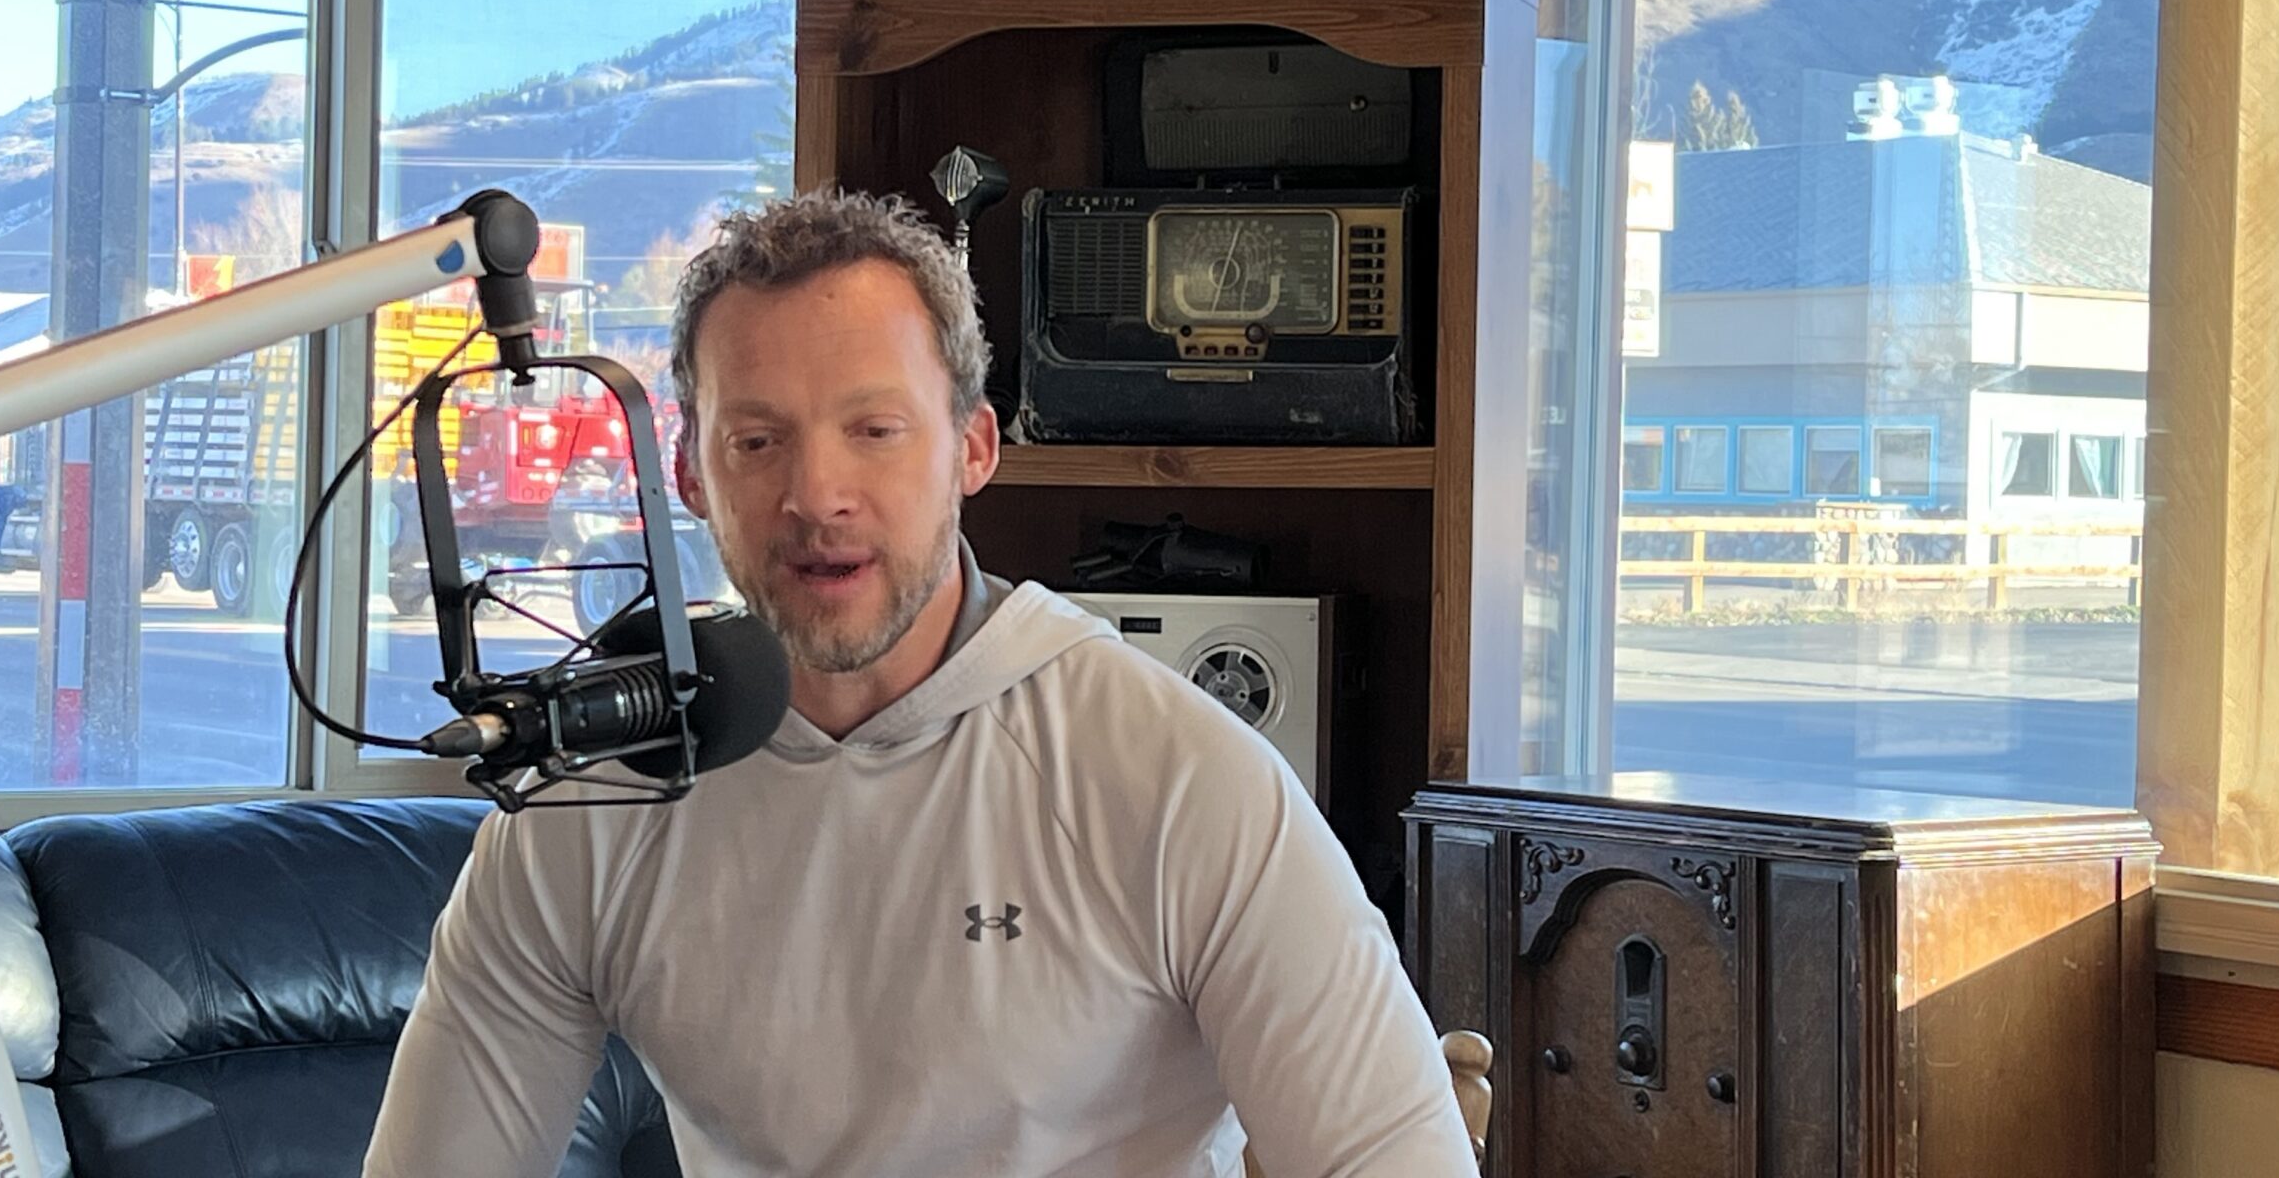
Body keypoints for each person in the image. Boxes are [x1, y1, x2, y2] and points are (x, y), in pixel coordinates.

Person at [363, 189, 1477, 1177]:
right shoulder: (592, 802)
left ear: (973, 449)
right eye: (757, 441)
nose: (818, 495)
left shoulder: (1179, 781)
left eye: (875, 430)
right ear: (689, 474)